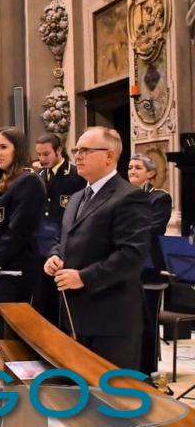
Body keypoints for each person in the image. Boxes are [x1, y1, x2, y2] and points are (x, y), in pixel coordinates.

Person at [45, 127, 151, 369]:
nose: (78, 156)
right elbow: (64, 239)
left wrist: (83, 277)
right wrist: (54, 256)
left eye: (85, 150)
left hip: (110, 319)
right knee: (82, 397)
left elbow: (131, 255)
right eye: (76, 150)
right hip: (75, 314)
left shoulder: (128, 197)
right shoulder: (76, 197)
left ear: (110, 156)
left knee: (112, 399)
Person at [0, 127, 45, 340]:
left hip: (14, 275)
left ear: (18, 149)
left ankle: (12, 375)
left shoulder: (29, 181)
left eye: (4, 147)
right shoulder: (0, 184)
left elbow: (18, 232)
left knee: (12, 339)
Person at [33, 133, 86, 326]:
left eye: (46, 154)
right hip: (40, 248)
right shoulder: (37, 177)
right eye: (39, 154)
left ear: (58, 151)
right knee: (41, 303)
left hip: (63, 247)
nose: (42, 159)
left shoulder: (75, 175)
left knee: (60, 307)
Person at [127, 153, 172, 376]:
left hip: (150, 268)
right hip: (126, 268)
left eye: (137, 168)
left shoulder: (159, 198)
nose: (132, 171)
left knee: (147, 322)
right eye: (130, 167)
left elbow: (153, 227)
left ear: (151, 173)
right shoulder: (122, 196)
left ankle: (147, 371)